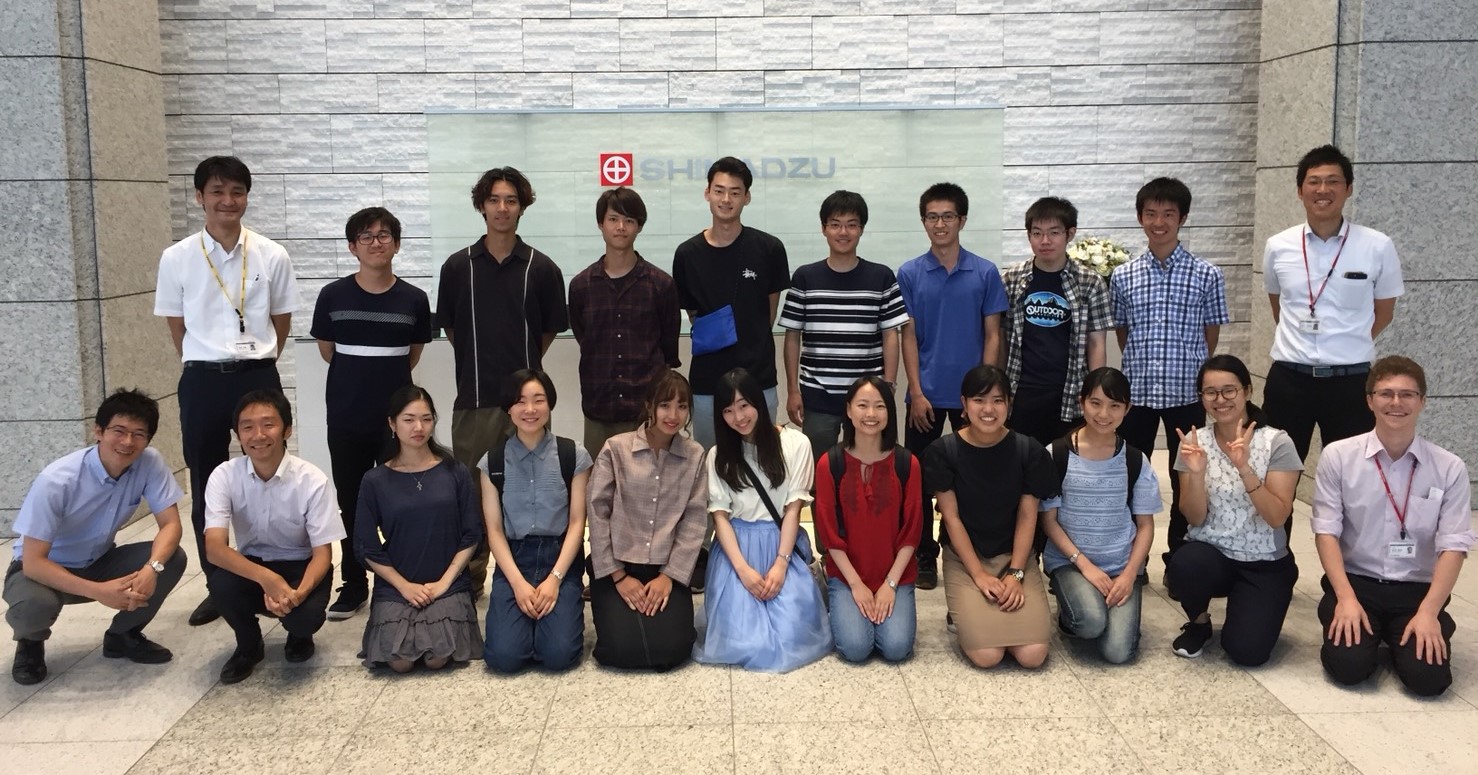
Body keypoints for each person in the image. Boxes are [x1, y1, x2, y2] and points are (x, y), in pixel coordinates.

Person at [154, 155, 299, 627]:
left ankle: (276, 569)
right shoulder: (177, 257)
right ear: (200, 197)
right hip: (202, 378)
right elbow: (177, 327)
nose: (228, 200)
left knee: (271, 472)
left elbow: (280, 320)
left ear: (247, 197)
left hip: (257, 374)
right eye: (217, 191)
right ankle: (218, 585)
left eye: (237, 192)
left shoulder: (271, 254)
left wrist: (255, 362)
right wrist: (207, 359)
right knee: (206, 479)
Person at [436, 166, 569, 597]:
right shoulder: (457, 267)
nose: (502, 208)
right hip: (473, 399)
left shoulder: (542, 268)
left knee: (531, 490)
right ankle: (471, 578)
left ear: (522, 207)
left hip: (526, 405)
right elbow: (452, 329)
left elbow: (546, 332)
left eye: (511, 200)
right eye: (494, 199)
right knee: (473, 493)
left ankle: (531, 572)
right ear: (481, 205)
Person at [1312, 356, 1474, 697]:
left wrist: (1429, 611)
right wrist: (1345, 598)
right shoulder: (1338, 456)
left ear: (1422, 401)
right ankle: (1370, 632)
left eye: (1407, 394)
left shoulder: (1449, 467)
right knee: (1348, 668)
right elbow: (1326, 531)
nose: (1396, 403)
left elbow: (1454, 545)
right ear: (1370, 400)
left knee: (1428, 681)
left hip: (1416, 590)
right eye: (1386, 393)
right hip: (1357, 583)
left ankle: (1415, 629)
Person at [5, 390, 188, 685]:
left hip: (99, 561)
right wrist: (98, 591)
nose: (127, 442)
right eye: (119, 431)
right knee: (34, 605)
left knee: (172, 558)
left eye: (138, 434)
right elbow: (33, 562)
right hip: (42, 571)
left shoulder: (149, 462)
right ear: (99, 431)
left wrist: (151, 568)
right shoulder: (57, 480)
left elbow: (170, 525)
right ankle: (30, 644)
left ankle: (122, 636)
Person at [312, 206, 433, 621]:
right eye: (366, 236)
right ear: (352, 247)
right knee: (351, 501)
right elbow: (327, 351)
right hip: (346, 417)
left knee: (400, 499)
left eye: (384, 236)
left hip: (396, 422)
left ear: (396, 244)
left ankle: (399, 580)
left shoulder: (414, 299)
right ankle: (353, 582)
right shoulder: (333, 295)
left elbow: (411, 356)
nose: (376, 243)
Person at [1112, 178, 1229, 582]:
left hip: (1186, 394)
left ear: (1183, 218)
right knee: (1132, 479)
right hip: (1138, 394)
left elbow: (1210, 333)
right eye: (1151, 214)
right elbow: (1123, 332)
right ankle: (1134, 561)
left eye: (1168, 214)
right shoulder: (1123, 275)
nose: (1158, 222)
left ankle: (1180, 561)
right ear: (1140, 217)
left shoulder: (1207, 274)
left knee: (1187, 480)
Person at [897, 182, 1009, 590]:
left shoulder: (984, 272)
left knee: (972, 481)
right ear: (923, 221)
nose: (940, 224)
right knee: (918, 481)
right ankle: (924, 554)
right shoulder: (909, 273)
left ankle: (965, 553)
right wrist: (916, 392)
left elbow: (993, 334)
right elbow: (908, 335)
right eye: (932, 217)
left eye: (947, 216)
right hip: (925, 397)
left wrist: (984, 397)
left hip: (972, 401)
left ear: (962, 220)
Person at [1263, 144, 1404, 463]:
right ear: (1300, 191)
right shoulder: (1278, 246)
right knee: (1276, 472)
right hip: (1289, 380)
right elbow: (1279, 307)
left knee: (1353, 475)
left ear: (1348, 188)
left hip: (1350, 383)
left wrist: (1348, 341)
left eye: (1333, 181)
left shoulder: (1377, 246)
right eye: (1313, 181)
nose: (1322, 190)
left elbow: (1384, 313)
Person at [693, 368, 831, 672]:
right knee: (746, 641)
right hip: (736, 550)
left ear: (758, 402)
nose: (738, 417)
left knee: (793, 634)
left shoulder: (796, 444)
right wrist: (743, 571)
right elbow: (720, 518)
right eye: (728, 410)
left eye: (744, 405)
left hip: (781, 543)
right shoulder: (717, 455)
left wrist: (781, 564)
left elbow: (793, 510)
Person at [203, 390, 345, 684]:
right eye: (247, 427)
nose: (258, 435)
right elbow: (214, 548)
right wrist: (267, 578)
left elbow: (323, 554)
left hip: (300, 565)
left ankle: (299, 636)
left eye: (268, 424)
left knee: (304, 618)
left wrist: (298, 594)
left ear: (287, 430)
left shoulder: (312, 480)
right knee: (221, 584)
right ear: (237, 435)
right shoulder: (224, 475)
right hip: (253, 565)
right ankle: (248, 644)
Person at [1168, 355, 1301, 666]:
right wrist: (1197, 473)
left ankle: (1254, 606)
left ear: (1247, 391)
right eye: (1210, 392)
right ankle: (1199, 622)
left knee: (1247, 652)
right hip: (1212, 554)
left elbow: (1277, 517)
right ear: (1201, 397)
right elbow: (1194, 517)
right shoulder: (1193, 442)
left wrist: (1244, 467)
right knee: (1185, 563)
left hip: (1264, 561)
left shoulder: (1277, 442)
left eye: (1229, 390)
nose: (1220, 400)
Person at [925, 365, 1056, 669]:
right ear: (964, 403)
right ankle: (964, 611)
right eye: (979, 400)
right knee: (988, 656)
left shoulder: (1029, 451)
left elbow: (1027, 517)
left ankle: (990, 611)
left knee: (1032, 655)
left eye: (998, 400)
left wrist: (1016, 573)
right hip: (965, 557)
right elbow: (952, 519)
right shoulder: (943, 452)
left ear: (1009, 404)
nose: (988, 409)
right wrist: (979, 574)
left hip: (1015, 555)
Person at [355, 385, 483, 673]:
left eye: (426, 419)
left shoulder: (455, 471)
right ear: (392, 423)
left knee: (437, 657)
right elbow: (365, 545)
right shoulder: (375, 480)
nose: (418, 427)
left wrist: (444, 582)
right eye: (409, 419)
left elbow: (472, 533)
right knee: (400, 662)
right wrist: (404, 586)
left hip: (447, 582)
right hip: (397, 584)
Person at [586, 370, 708, 671]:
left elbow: (694, 519)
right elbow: (597, 513)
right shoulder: (616, 448)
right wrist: (618, 576)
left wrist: (669, 577)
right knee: (620, 648)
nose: (673, 415)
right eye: (665, 405)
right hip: (617, 565)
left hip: (666, 569)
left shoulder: (694, 455)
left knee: (673, 649)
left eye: (682, 406)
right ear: (649, 405)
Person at [1040, 368, 1161, 664]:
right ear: (1081, 402)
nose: (1104, 414)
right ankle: (1072, 610)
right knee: (1090, 623)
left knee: (1118, 652)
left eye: (1114, 405)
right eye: (1095, 403)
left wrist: (1130, 574)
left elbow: (1145, 526)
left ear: (1127, 409)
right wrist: (1085, 566)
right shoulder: (1057, 453)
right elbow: (1049, 521)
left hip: (1121, 565)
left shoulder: (1135, 459)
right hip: (1071, 562)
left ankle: (1103, 603)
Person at [672, 156, 790, 450]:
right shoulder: (687, 254)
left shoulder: (769, 249)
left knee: (763, 458)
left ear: (746, 197)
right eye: (719, 190)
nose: (726, 199)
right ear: (707, 193)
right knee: (711, 461)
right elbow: (693, 313)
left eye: (735, 192)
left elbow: (769, 313)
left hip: (759, 377)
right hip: (707, 382)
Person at [780, 190, 909, 459]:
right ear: (824, 228)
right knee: (818, 467)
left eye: (851, 225)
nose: (843, 232)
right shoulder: (805, 277)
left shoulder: (881, 277)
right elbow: (792, 336)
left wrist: (888, 385)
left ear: (861, 229)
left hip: (868, 395)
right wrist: (793, 390)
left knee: (871, 462)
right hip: (818, 394)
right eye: (835, 224)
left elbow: (891, 334)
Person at [481, 370, 591, 673]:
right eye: (520, 401)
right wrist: (518, 584)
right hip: (514, 560)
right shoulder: (492, 462)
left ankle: (547, 626)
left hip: (559, 557)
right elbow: (494, 530)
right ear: (509, 408)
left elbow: (577, 522)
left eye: (538, 400)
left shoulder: (573, 455)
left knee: (559, 656)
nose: (530, 409)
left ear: (550, 403)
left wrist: (554, 579)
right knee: (504, 659)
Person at [812, 376, 922, 663]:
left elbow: (911, 532)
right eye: (862, 405)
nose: (871, 414)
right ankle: (836, 598)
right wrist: (856, 586)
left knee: (896, 648)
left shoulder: (907, 463)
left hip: (895, 573)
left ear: (889, 412)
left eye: (879, 406)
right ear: (849, 410)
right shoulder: (829, 463)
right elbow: (829, 534)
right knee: (856, 649)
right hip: (847, 575)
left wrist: (890, 585)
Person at [569, 187, 681, 455]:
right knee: (599, 479)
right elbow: (585, 339)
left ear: (639, 226)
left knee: (651, 480)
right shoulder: (581, 286)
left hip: (647, 411)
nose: (621, 227)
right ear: (601, 224)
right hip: (598, 409)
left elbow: (668, 349)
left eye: (629, 220)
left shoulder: (661, 285)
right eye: (613, 219)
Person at [1000, 196, 1112, 448]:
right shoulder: (1012, 280)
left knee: (1067, 462)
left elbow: (1096, 343)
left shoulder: (1090, 282)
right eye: (1037, 233)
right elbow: (1002, 337)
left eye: (1054, 232)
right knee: (1023, 461)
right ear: (1029, 235)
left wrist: (1095, 394)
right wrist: (999, 388)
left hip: (1070, 393)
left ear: (1070, 234)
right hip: (1022, 391)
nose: (1045, 241)